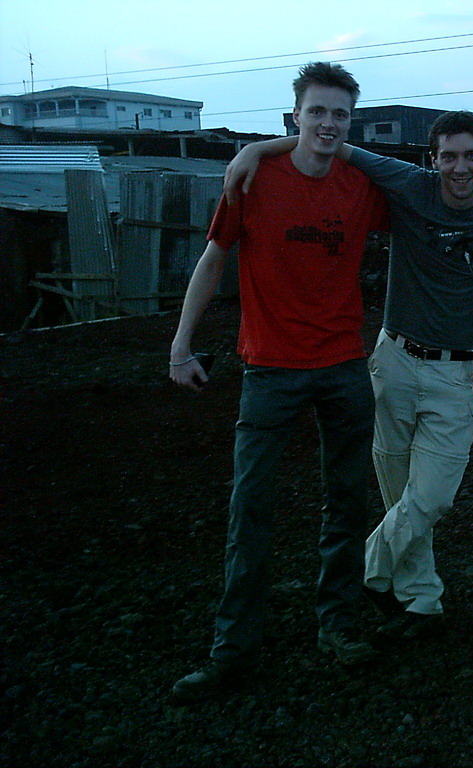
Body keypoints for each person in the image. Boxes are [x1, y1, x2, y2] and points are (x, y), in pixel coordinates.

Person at [225, 111, 473, 640]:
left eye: (470, 155)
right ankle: (422, 600)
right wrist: (258, 150)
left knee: (433, 497)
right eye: (448, 156)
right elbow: (330, 144)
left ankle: (367, 569)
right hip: (393, 360)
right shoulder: (408, 184)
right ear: (433, 159)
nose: (459, 167)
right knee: (400, 493)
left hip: (453, 372)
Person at [168, 62, 390, 701]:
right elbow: (214, 259)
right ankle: (232, 651)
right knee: (251, 508)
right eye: (316, 111)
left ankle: (339, 627)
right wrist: (182, 344)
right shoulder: (254, 179)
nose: (327, 123)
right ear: (295, 114)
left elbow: (429, 204)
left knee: (346, 502)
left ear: (351, 123)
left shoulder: (359, 187)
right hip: (270, 369)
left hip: (345, 367)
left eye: (340, 114)